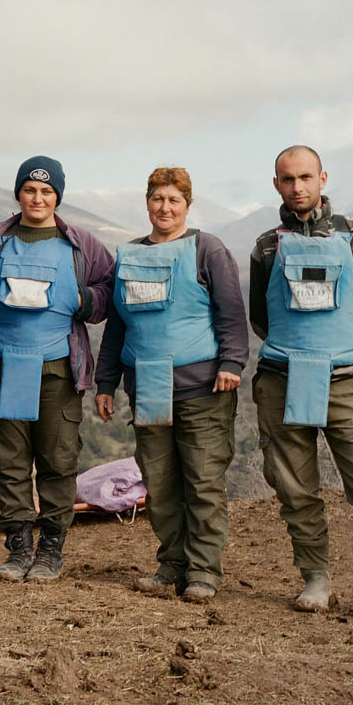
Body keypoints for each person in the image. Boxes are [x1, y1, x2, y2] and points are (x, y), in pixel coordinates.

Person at [250, 146, 353, 623]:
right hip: (282, 380)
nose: (297, 187)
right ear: (277, 183)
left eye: (305, 177)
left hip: (346, 382)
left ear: (323, 177)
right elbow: (261, 319)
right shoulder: (265, 246)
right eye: (287, 179)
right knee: (295, 489)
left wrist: (342, 347)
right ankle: (315, 579)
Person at [0, 157, 114, 582]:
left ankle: (50, 549)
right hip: (0, 365)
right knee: (8, 460)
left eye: (47, 191)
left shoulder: (82, 244)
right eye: (30, 190)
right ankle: (18, 547)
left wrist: (84, 300)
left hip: (57, 369)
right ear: (18, 194)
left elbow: (109, 292)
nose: (38, 198)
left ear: (58, 196)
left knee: (58, 460)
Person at [94, 166, 247, 603]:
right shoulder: (128, 255)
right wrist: (106, 381)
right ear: (147, 202)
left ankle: (203, 571)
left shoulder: (208, 250)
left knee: (202, 481)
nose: (165, 207)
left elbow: (231, 313)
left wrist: (232, 361)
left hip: (204, 387)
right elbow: (118, 326)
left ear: (187, 205)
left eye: (174, 200)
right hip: (148, 386)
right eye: (157, 199)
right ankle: (171, 565)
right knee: (159, 482)